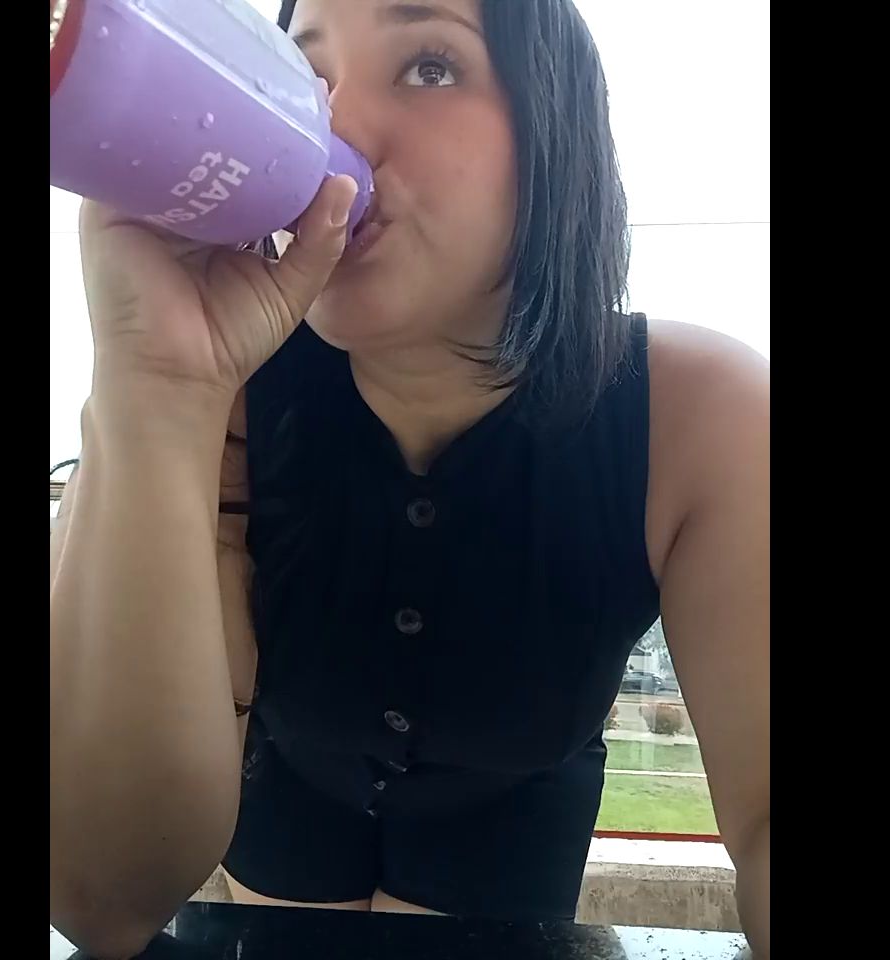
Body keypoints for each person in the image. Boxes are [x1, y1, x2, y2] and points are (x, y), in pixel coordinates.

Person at [49, 2, 769, 958]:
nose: (333, 126)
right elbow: (100, 900)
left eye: (430, 66)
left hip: (510, 863)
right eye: (306, 78)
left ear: (555, 133)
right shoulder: (217, 382)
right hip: (276, 834)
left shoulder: (700, 415)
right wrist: (155, 389)